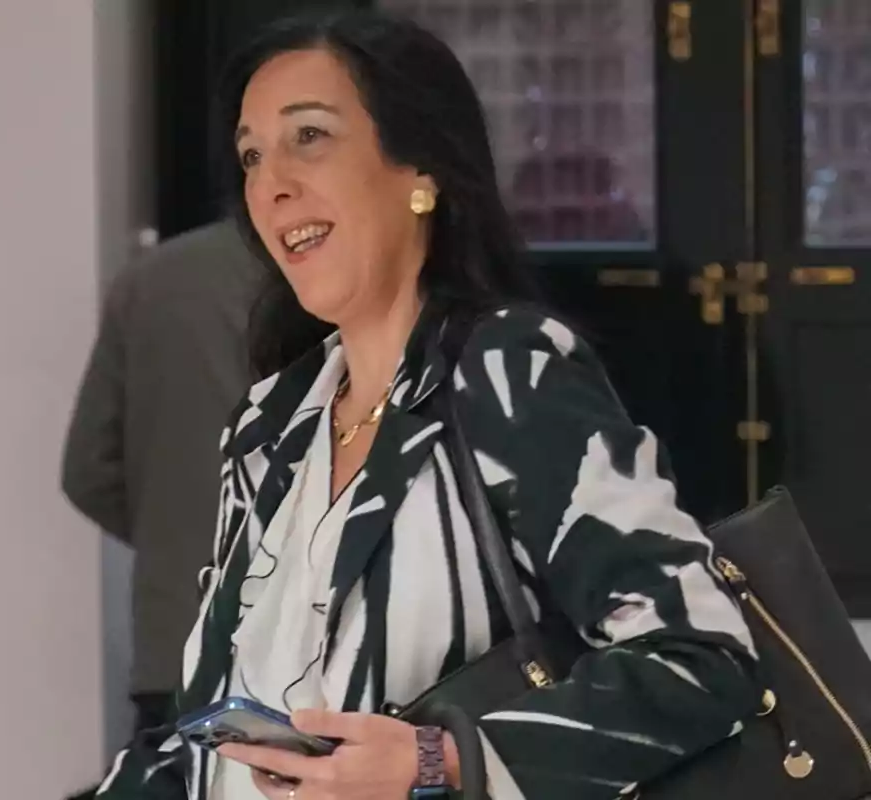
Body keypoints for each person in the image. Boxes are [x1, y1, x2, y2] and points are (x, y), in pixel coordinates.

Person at [96, 10, 760, 800]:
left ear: (422, 171)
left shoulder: (505, 370)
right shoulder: (269, 428)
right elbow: (206, 734)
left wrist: (437, 761)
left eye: (309, 136)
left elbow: (701, 657)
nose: (270, 183)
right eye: (250, 154)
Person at [62, 219, 259, 732]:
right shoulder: (348, 275)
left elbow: (87, 470)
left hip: (174, 641)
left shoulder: (152, 279)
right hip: (317, 659)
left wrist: (170, 538)